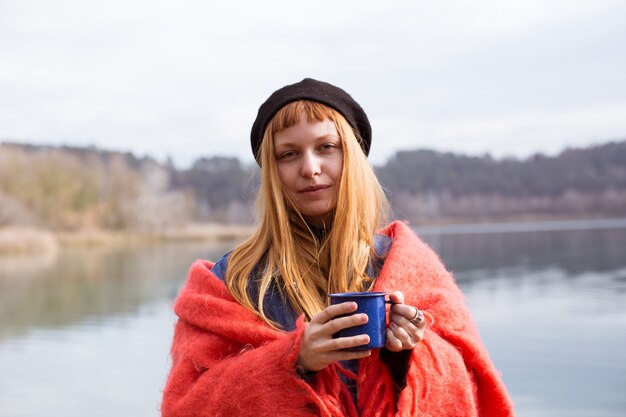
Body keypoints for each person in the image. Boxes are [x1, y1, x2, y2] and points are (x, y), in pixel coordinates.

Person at [161, 78, 514, 417]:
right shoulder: (230, 282)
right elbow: (187, 408)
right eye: (288, 154)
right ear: (272, 170)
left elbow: (474, 391)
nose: (310, 168)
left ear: (354, 157)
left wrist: (410, 353)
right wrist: (293, 361)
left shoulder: (407, 264)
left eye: (326, 147)